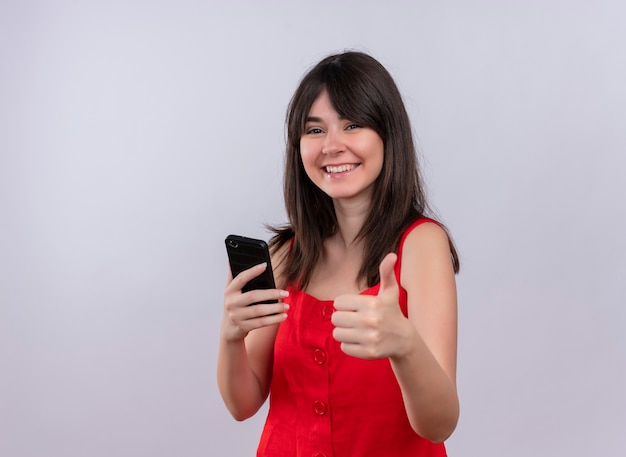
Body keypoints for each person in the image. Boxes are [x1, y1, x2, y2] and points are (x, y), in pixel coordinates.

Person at [218, 50, 460, 457]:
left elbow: (438, 425)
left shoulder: (421, 244)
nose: (332, 146)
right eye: (314, 131)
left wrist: (405, 345)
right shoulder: (282, 255)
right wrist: (230, 336)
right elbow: (243, 404)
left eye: (352, 124)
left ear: (388, 134)